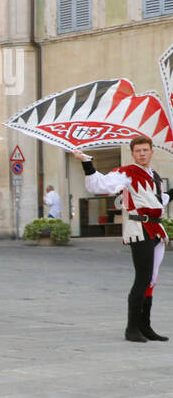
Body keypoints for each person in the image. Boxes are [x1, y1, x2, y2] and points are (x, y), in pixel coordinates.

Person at [74, 138, 169, 342]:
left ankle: (145, 326)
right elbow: (100, 185)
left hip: (156, 229)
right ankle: (132, 329)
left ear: (152, 152)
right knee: (142, 279)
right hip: (139, 228)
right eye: (138, 151)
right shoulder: (127, 173)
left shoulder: (155, 176)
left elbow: (159, 201)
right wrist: (87, 163)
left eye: (145, 150)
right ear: (133, 153)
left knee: (151, 280)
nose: (142, 154)